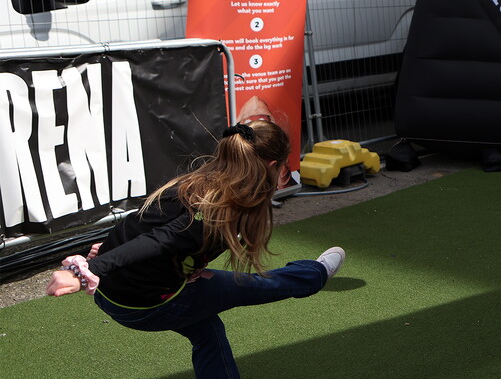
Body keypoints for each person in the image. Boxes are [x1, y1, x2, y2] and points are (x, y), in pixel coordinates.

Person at [46, 120, 345, 379]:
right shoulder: (214, 209)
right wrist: (89, 269)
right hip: (148, 305)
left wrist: (113, 251)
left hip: (116, 297)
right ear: (270, 166)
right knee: (258, 285)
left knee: (206, 330)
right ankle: (315, 275)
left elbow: (140, 225)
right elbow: (158, 238)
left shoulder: (199, 182)